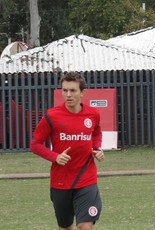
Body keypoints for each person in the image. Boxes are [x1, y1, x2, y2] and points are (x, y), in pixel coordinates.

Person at [30, 71, 105, 230]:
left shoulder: (93, 114)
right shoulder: (52, 116)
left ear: (82, 93)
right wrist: (55, 157)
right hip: (60, 181)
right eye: (65, 90)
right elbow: (35, 144)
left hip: (86, 179)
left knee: (85, 225)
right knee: (65, 227)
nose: (68, 94)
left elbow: (97, 131)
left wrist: (96, 148)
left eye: (73, 90)